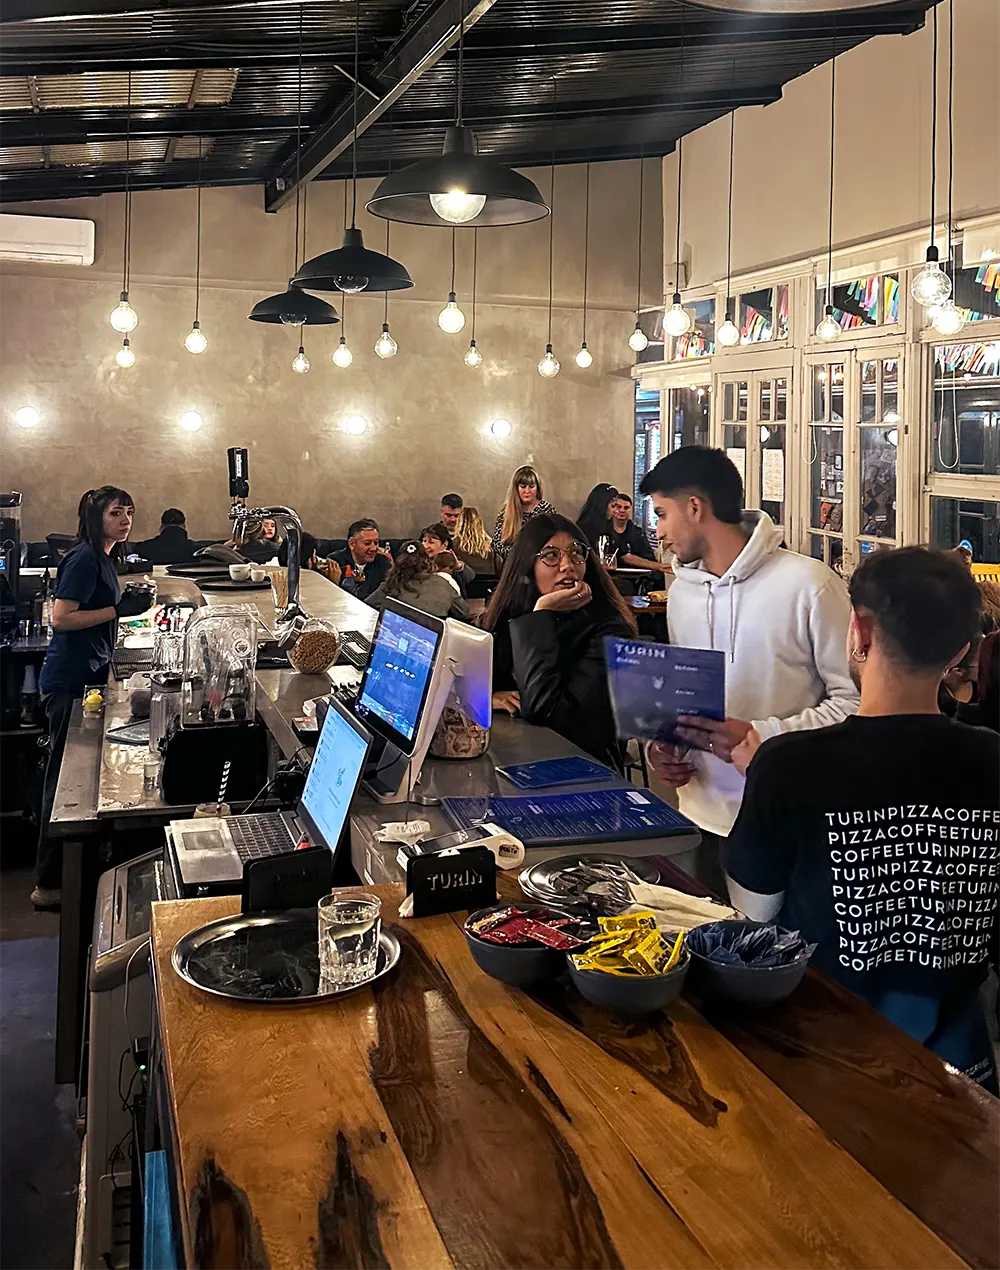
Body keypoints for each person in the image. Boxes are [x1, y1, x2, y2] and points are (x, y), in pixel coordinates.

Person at [724, 546, 1000, 1092]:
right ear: (960, 650)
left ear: (860, 632)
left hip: (826, 1055)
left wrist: (765, 783)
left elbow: (753, 914)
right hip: (961, 1064)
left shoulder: (791, 764)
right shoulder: (993, 758)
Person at [641, 446, 858, 889]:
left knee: (769, 955)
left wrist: (763, 736)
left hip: (782, 822)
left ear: (695, 507)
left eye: (662, 514)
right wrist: (666, 748)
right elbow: (687, 699)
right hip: (694, 816)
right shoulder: (681, 593)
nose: (659, 532)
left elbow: (856, 705)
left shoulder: (810, 585)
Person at [32, 488, 151, 909]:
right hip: (68, 681)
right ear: (95, 516)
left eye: (129, 512)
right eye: (116, 512)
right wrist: (120, 610)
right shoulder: (84, 558)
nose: (125, 520)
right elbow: (61, 618)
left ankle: (61, 876)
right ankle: (48, 883)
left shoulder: (104, 556)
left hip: (87, 675)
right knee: (63, 782)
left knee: (70, 780)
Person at [481, 512, 637, 771]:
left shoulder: (610, 631)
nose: (567, 565)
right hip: (516, 762)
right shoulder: (510, 617)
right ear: (527, 568)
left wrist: (540, 615)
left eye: (577, 552)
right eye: (551, 556)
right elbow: (455, 682)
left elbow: (549, 711)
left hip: (584, 773)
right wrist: (486, 698)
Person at [365, 541, 469, 620]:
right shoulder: (444, 584)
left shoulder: (391, 585)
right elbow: (463, 612)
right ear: (427, 561)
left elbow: (366, 608)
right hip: (436, 643)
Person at [491, 465, 556, 563]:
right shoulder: (505, 512)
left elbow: (555, 542)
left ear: (537, 488)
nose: (527, 491)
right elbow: (496, 544)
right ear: (516, 488)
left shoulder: (547, 510)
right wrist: (518, 555)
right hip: (513, 566)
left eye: (531, 487)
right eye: (522, 487)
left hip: (541, 565)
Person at [331, 519, 391, 601]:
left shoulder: (383, 562)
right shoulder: (334, 562)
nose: (374, 548)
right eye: (367, 543)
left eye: (376, 543)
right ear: (352, 544)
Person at [607, 492, 665, 571]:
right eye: (619, 507)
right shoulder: (604, 531)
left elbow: (649, 556)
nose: (622, 510)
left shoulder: (638, 533)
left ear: (631, 510)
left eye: (626, 508)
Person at [420, 522, 475, 592]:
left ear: (444, 544)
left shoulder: (451, 561)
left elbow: (469, 577)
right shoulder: (419, 561)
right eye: (424, 541)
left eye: (431, 542)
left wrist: (458, 566)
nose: (426, 546)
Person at [453, 506, 495, 575]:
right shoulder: (490, 543)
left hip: (467, 583)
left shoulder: (454, 544)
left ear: (459, 523)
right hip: (491, 582)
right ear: (479, 522)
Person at [576, 483, 619, 549]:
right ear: (601, 505)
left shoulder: (610, 525)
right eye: (613, 506)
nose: (616, 511)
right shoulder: (584, 530)